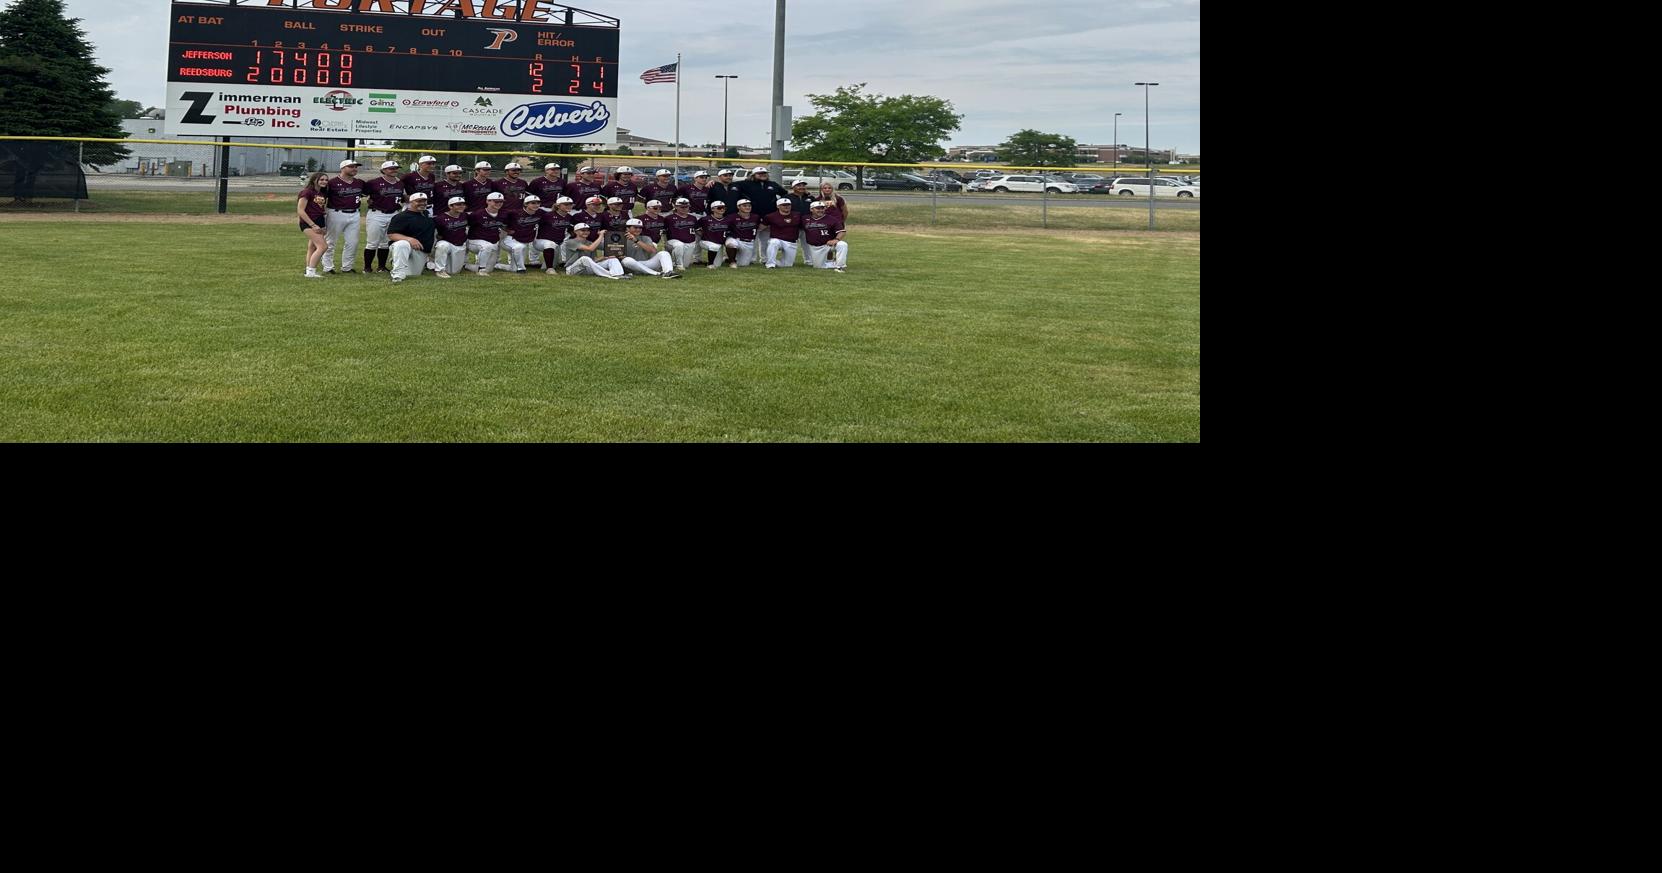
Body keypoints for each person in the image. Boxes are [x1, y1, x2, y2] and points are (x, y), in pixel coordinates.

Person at [321, 159, 364, 274]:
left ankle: (347, 267)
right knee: (330, 241)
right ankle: (328, 267)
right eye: (351, 166)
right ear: (342, 168)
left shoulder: (359, 183)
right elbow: (322, 198)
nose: (354, 169)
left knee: (352, 242)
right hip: (335, 213)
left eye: (356, 167)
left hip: (354, 213)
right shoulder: (332, 183)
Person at [362, 160, 406, 274]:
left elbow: (402, 198)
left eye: (396, 168)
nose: (394, 170)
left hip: (393, 213)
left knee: (386, 242)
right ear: (384, 170)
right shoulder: (374, 182)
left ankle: (381, 267)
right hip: (377, 213)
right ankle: (367, 267)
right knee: (372, 242)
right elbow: (363, 194)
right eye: (391, 168)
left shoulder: (400, 183)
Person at [385, 192, 436, 284]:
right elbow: (391, 235)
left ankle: (399, 263)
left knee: (413, 274)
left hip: (420, 250)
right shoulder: (401, 216)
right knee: (402, 244)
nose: (422, 203)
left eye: (424, 201)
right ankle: (397, 275)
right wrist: (410, 239)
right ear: (411, 202)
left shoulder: (427, 214)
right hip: (406, 247)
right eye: (419, 201)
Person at [734, 166, 787, 252]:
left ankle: (765, 259)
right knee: (752, 239)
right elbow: (730, 185)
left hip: (768, 216)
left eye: (764, 173)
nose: (763, 175)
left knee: (766, 240)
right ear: (753, 175)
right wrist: (712, 182)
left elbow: (785, 194)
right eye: (760, 173)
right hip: (752, 216)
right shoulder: (745, 184)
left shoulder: (772, 184)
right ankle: (751, 258)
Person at [559, 223, 628, 279]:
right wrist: (601, 236)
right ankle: (611, 275)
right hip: (572, 269)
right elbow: (590, 248)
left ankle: (618, 274)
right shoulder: (571, 242)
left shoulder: (590, 242)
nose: (586, 232)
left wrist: (605, 257)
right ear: (575, 232)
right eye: (583, 230)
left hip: (588, 269)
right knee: (584, 258)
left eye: (587, 230)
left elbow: (594, 259)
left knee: (612, 259)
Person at [466, 191, 510, 275]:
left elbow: (503, 225)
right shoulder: (477, 214)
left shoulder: (503, 214)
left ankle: (466, 266)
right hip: (475, 242)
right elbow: (466, 226)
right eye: (496, 201)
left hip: (492, 242)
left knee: (489, 269)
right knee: (486, 246)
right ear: (488, 201)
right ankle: (481, 270)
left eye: (501, 202)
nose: (499, 203)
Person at [296, 171, 329, 278]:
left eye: (326, 180)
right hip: (308, 222)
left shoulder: (321, 193)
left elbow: (320, 209)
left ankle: (308, 270)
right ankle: (311, 271)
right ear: (314, 180)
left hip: (319, 221)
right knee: (323, 246)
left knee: (312, 247)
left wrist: (322, 224)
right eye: (321, 179)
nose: (324, 182)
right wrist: (313, 225)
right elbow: (300, 210)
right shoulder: (306, 192)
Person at [432, 195, 472, 278]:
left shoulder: (464, 215)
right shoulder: (440, 218)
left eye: (463, 204)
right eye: (458, 204)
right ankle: (439, 270)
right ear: (450, 206)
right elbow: (433, 232)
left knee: (454, 272)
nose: (461, 206)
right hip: (447, 243)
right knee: (442, 245)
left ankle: (465, 265)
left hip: (460, 245)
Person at [534, 196, 576, 274]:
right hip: (541, 241)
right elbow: (534, 225)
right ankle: (549, 269)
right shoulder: (547, 215)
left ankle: (546, 267)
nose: (569, 206)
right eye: (566, 204)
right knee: (550, 244)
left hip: (557, 244)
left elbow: (571, 230)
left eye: (570, 204)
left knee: (553, 264)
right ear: (558, 206)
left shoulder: (569, 217)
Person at [803, 201, 848, 272]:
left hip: (828, 245)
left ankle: (840, 266)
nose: (820, 210)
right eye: (817, 208)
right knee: (818, 267)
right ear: (811, 209)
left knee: (842, 244)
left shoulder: (831, 219)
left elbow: (841, 231)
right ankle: (833, 263)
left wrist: (836, 239)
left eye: (822, 208)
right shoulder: (804, 219)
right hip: (815, 247)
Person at [503, 193, 543, 272]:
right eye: (533, 203)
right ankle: (521, 269)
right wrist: (507, 230)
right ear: (525, 204)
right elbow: (499, 221)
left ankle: (497, 265)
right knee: (519, 248)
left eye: (538, 203)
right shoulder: (514, 213)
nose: (536, 205)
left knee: (513, 268)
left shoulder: (540, 212)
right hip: (512, 239)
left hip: (526, 240)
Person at [696, 200, 739, 269]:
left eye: (724, 208)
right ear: (712, 209)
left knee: (718, 264)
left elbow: (732, 231)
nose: (722, 209)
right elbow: (695, 227)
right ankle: (710, 264)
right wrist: (702, 233)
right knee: (714, 247)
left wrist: (727, 239)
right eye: (719, 208)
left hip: (720, 243)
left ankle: (731, 261)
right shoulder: (705, 219)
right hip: (707, 241)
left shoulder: (728, 220)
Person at [763, 197, 804, 269]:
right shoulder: (770, 216)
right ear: (778, 206)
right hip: (778, 239)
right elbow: (762, 227)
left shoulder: (797, 215)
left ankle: (770, 260)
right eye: (784, 205)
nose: (787, 206)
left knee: (787, 265)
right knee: (773, 242)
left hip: (791, 242)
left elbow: (802, 226)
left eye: (788, 204)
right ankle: (770, 264)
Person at [663, 198, 700, 272]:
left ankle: (674, 262)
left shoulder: (693, 218)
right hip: (674, 242)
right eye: (681, 207)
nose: (684, 208)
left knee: (686, 265)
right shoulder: (669, 218)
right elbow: (663, 231)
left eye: (686, 206)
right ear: (676, 207)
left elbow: (698, 231)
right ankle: (678, 265)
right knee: (679, 245)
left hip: (690, 242)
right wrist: (666, 243)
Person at [727, 199, 761, 268]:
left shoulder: (756, 217)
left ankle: (735, 258)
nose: (747, 207)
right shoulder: (731, 217)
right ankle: (732, 262)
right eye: (744, 206)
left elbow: (760, 227)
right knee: (730, 243)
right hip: (736, 239)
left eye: (749, 206)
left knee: (743, 264)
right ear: (738, 207)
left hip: (749, 243)